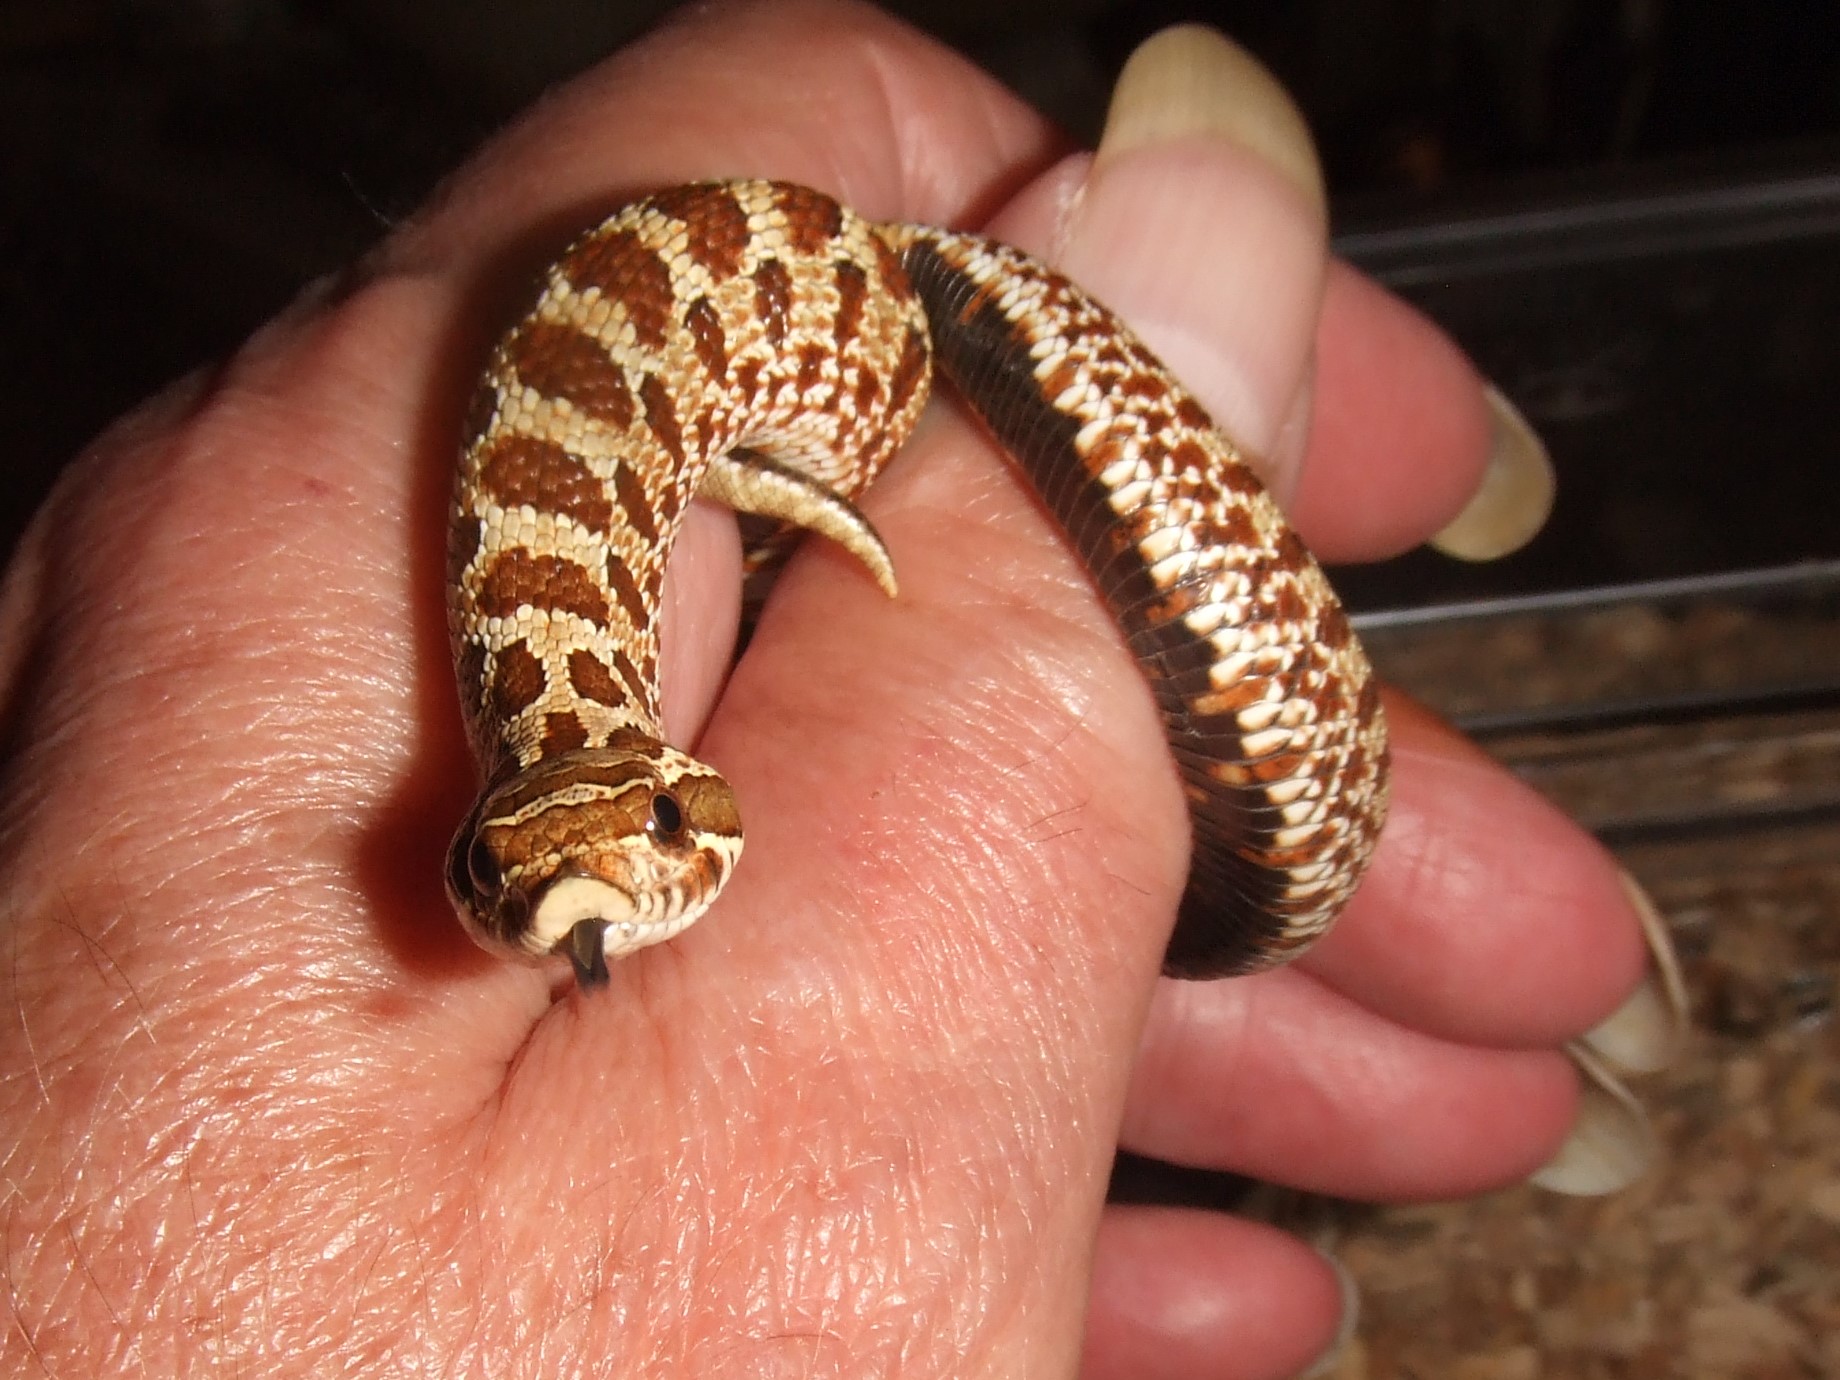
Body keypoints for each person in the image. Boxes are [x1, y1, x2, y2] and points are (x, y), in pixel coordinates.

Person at [0, 3, 1669, 1376]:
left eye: (648, 826)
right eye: (510, 881)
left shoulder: (579, 611)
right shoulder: (554, 722)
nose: (600, 892)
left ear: (674, 788)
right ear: (471, 859)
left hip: (827, 355)